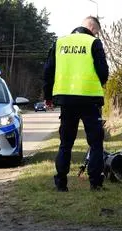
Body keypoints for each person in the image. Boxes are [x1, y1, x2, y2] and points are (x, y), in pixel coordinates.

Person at [43, 16, 109, 192]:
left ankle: (61, 184)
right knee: (95, 143)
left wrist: (48, 96)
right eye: (97, 31)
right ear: (92, 27)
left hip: (66, 100)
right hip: (89, 99)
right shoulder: (93, 43)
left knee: (66, 143)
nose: (96, 34)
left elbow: (48, 71)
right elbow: (103, 71)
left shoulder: (60, 42)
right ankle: (95, 183)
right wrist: (99, 83)